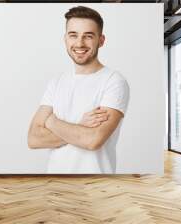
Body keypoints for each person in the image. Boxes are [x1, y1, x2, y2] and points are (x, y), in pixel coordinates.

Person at [27, 6, 130, 174]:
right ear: (65, 39)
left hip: (95, 186)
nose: (79, 43)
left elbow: (93, 140)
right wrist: (79, 126)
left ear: (101, 40)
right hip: (55, 186)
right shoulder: (57, 82)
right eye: (73, 35)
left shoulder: (114, 81)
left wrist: (51, 122)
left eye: (88, 36)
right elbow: (33, 138)